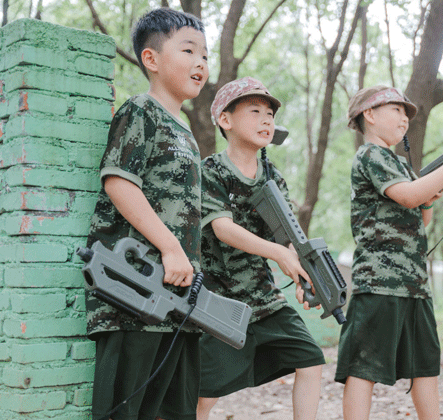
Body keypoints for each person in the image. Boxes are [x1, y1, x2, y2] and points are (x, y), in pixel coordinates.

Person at [84, 7, 209, 420]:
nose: (201, 62)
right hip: (134, 298)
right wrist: (172, 249)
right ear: (151, 60)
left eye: (205, 55)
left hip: (177, 305)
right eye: (189, 50)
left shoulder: (186, 133)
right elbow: (119, 182)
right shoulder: (140, 111)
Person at [334, 85, 443, 420]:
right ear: (369, 115)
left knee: (426, 366)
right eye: (396, 110)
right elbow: (406, 196)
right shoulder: (370, 155)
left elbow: (420, 215)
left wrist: (430, 195)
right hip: (378, 282)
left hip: (413, 284)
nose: (404, 118)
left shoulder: (400, 163)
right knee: (363, 368)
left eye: (406, 112)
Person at [196, 77, 325, 420]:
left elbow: (287, 238)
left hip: (264, 298)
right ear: (225, 120)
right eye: (254, 111)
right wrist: (279, 253)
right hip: (218, 301)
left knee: (311, 360)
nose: (266, 120)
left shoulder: (273, 178)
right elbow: (223, 229)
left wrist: (300, 274)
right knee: (203, 396)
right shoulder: (211, 171)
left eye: (269, 113)